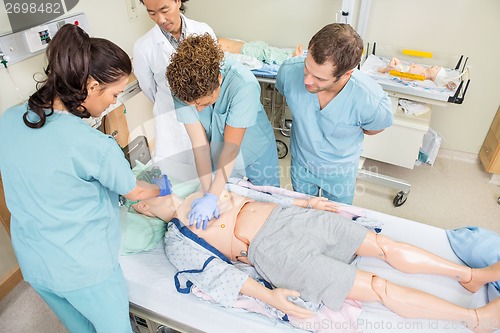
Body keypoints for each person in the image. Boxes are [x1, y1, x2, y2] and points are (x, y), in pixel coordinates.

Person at [130, 184, 500, 332]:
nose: (154, 186)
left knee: (382, 247)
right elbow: (215, 276)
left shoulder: (206, 188)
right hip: (275, 252)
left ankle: (470, 275)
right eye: (142, 194)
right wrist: (269, 296)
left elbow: (255, 194)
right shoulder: (177, 239)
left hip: (294, 218)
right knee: (376, 286)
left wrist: (305, 202)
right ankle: (473, 319)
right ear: (143, 209)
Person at [0, 24, 172, 333]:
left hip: (35, 263)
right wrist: (159, 186)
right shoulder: (94, 146)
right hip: (84, 270)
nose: (115, 103)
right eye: (115, 94)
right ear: (92, 86)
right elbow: (134, 191)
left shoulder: (9, 119)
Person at [166, 34, 280, 229]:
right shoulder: (181, 88)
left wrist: (212, 196)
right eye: (193, 106)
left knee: (269, 206)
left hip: (255, 151)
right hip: (217, 152)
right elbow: (199, 144)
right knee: (227, 201)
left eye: (205, 103)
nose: (199, 110)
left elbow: (231, 148)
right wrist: (206, 191)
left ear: (219, 79)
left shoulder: (243, 85)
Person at [276, 23, 393, 205]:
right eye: (307, 67)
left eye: (320, 78)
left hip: (340, 172)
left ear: (346, 74)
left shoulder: (370, 100)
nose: (307, 81)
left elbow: (374, 128)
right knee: (303, 214)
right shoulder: (289, 72)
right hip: (301, 164)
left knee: (337, 218)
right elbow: (287, 91)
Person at [133, 0, 216, 164]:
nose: (160, 19)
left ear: (178, 1)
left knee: (212, 170)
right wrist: (172, 104)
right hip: (171, 121)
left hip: (205, 115)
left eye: (164, 10)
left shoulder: (203, 30)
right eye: (152, 13)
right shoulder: (143, 47)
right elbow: (149, 89)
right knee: (178, 176)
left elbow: (214, 75)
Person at [378, 57, 458, 90]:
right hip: (404, 67)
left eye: (436, 68)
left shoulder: (422, 76)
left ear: (434, 76)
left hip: (403, 71)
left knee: (392, 67)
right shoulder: (424, 69)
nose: (435, 66)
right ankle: (388, 68)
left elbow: (411, 77)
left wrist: (402, 76)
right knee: (394, 59)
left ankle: (385, 70)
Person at [218, 37, 304, 66]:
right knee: (266, 52)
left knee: (267, 52)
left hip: (246, 48)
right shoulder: (217, 43)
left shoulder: (215, 42)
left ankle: (290, 55)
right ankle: (289, 55)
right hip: (247, 47)